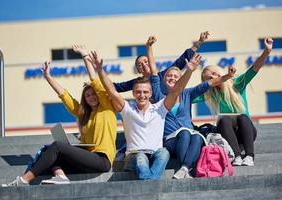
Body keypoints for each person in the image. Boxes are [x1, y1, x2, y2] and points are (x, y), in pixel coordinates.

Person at [2, 45, 117, 187]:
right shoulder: (84, 114)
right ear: (85, 99)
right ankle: (61, 176)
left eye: (94, 94)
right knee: (47, 155)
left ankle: (23, 180)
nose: (91, 97)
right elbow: (65, 96)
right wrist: (48, 77)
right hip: (88, 158)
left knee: (57, 146)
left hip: (102, 160)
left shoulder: (107, 107)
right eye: (87, 95)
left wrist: (85, 56)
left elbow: (95, 80)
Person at [89, 49, 201, 180]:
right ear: (133, 94)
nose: (142, 95)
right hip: (134, 156)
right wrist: (100, 70)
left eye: (145, 92)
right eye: (138, 92)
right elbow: (112, 91)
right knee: (141, 158)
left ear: (151, 94)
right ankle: (151, 186)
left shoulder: (159, 108)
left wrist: (188, 72)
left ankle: (148, 185)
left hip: (155, 154)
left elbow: (176, 91)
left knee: (164, 153)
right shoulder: (127, 109)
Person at [146, 35, 236, 179]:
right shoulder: (158, 95)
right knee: (185, 133)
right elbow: (153, 71)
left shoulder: (187, 93)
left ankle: (185, 168)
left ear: (181, 79)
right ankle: (185, 167)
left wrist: (227, 76)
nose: (173, 78)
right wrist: (149, 47)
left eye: (176, 76)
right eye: (169, 76)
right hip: (170, 140)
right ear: (164, 80)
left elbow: (210, 83)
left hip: (189, 137)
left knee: (198, 137)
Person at [199, 37, 274, 166]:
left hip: (246, 133)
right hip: (227, 136)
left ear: (219, 72)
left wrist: (266, 51)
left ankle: (249, 156)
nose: (212, 78)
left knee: (243, 117)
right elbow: (186, 95)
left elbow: (254, 69)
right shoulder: (210, 94)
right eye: (208, 79)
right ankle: (237, 156)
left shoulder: (236, 83)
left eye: (213, 73)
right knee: (224, 119)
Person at [114, 31, 210, 94]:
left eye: (146, 61)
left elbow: (183, 58)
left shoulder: (165, 75)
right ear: (138, 70)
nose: (144, 64)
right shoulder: (137, 82)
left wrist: (200, 41)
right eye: (140, 65)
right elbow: (117, 87)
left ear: (152, 62)